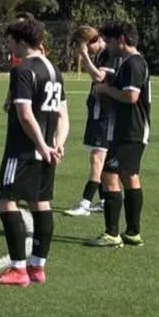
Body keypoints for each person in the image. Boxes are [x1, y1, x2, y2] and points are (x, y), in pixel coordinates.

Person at [0, 16, 68, 288]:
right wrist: (57, 143)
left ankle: (18, 269)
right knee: (40, 203)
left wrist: (40, 145)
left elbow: (24, 114)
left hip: (23, 150)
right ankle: (37, 267)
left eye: (11, 41)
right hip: (48, 151)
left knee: (5, 202)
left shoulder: (23, 70)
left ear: (22, 42)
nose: (10, 46)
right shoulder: (55, 70)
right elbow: (63, 114)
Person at [87, 21, 151, 250]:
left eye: (110, 41)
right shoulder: (129, 63)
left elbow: (131, 96)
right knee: (128, 177)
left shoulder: (133, 63)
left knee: (109, 175)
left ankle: (112, 233)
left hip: (131, 130)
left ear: (121, 40)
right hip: (127, 130)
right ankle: (132, 233)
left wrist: (105, 90)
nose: (107, 45)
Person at [65, 24, 114, 216]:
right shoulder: (101, 54)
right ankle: (103, 200)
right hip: (97, 111)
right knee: (99, 159)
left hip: (104, 114)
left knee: (97, 158)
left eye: (82, 45)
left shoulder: (107, 53)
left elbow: (100, 76)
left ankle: (85, 203)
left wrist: (85, 56)